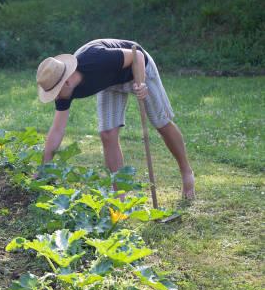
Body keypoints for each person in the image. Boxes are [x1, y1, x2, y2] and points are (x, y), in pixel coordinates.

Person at [36, 39, 195, 199]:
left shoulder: (96, 59)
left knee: (162, 123)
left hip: (137, 69)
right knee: (107, 134)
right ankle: (120, 195)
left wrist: (141, 84)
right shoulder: (64, 91)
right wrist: (44, 167)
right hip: (109, 83)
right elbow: (57, 130)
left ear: (67, 82)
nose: (55, 97)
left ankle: (186, 172)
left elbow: (137, 55)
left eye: (55, 92)